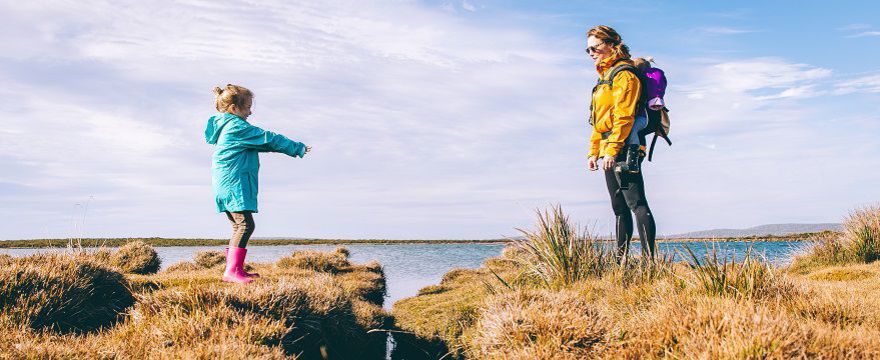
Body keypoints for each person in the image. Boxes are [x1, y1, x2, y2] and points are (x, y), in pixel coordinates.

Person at [205, 84, 311, 283]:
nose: (250, 111)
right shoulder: (237, 127)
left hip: (225, 184)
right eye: (247, 107)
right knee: (245, 225)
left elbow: (261, 144)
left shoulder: (227, 127)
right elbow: (267, 139)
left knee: (239, 226)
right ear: (234, 109)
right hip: (234, 183)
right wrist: (297, 147)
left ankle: (235, 270)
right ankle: (232, 272)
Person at [586, 26, 657, 260]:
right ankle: (620, 262)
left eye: (594, 47)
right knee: (619, 208)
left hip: (626, 146)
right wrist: (593, 152)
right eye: (587, 50)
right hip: (609, 148)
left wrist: (613, 150)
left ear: (611, 45)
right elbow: (598, 121)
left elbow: (624, 117)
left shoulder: (624, 74)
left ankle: (649, 263)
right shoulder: (603, 78)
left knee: (636, 203)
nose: (591, 53)